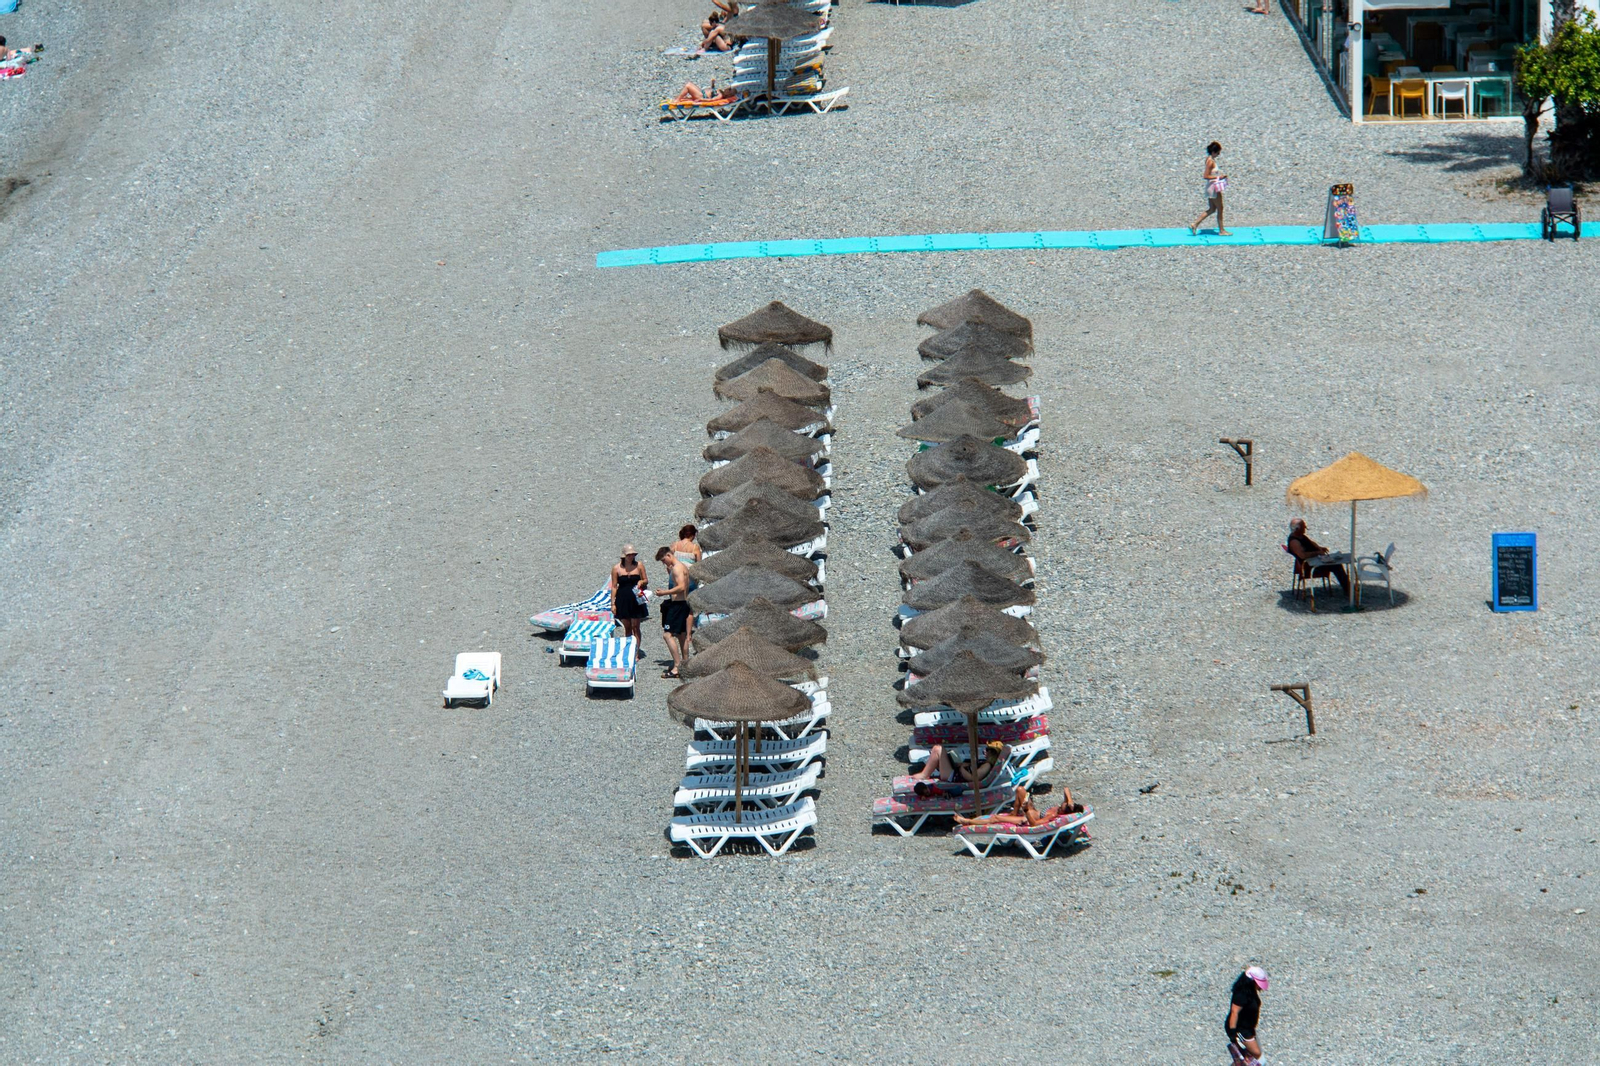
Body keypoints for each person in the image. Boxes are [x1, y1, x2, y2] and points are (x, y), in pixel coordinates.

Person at [952, 784, 1084, 826]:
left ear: (1064, 811)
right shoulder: (1063, 808)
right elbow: (1066, 788)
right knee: (1020, 790)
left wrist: (1026, 810)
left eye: (1064, 805)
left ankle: (968, 821)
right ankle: (1014, 812)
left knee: (996, 818)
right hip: (1032, 810)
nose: (1063, 803)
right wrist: (1071, 801)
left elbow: (1034, 824)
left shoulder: (1052, 817)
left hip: (1025, 819)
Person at [653, 547, 693, 678]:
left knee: (667, 635)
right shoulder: (680, 567)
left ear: (669, 555)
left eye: (664, 560)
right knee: (682, 635)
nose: (664, 563)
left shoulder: (677, 568)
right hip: (683, 603)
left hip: (678, 605)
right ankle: (685, 664)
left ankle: (677, 666)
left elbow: (681, 587)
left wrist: (664, 592)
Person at [1286, 518, 1351, 597]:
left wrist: (1320, 548)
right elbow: (1302, 555)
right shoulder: (1294, 542)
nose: (1305, 529)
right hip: (1309, 566)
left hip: (1315, 560)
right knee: (1336, 566)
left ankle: (1348, 587)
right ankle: (1348, 590)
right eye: (1303, 527)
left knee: (1335, 562)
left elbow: (1310, 544)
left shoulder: (1301, 536)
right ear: (1297, 529)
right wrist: (1317, 553)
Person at [908, 740, 1011, 787]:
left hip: (953, 777)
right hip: (954, 774)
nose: (985, 751)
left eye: (987, 749)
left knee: (938, 749)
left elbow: (972, 778)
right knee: (941, 752)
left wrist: (961, 767)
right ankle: (925, 774)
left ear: (992, 753)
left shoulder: (987, 765)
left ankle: (924, 775)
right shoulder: (986, 764)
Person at [1225, 966, 1269, 1064]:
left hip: (1248, 1028)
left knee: (1244, 1056)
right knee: (1256, 1053)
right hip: (1240, 1030)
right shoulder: (1241, 994)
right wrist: (1233, 1035)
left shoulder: (1250, 991)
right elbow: (1234, 1013)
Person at [609, 545, 650, 648]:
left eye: (633, 555)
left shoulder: (639, 565)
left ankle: (636, 651)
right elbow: (614, 586)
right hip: (623, 599)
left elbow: (646, 580)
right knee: (627, 627)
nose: (631, 557)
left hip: (636, 598)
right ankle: (629, 649)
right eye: (629, 555)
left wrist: (641, 581)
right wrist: (612, 604)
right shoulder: (616, 568)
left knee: (636, 626)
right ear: (624, 556)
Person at [1190, 142, 1232, 236]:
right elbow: (1206, 175)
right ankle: (1222, 230)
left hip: (1210, 187)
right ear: (1213, 152)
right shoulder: (1210, 161)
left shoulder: (1209, 159)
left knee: (1212, 209)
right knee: (1220, 208)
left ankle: (1195, 224)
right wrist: (1218, 177)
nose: (1218, 154)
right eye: (1217, 153)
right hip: (1213, 188)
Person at [672, 80, 737, 105]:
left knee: (688, 85)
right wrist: (713, 84)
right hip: (701, 92)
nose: (727, 88)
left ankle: (678, 99)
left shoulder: (720, 96)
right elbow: (712, 91)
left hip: (701, 95)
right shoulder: (720, 92)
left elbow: (711, 100)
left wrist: (701, 100)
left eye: (729, 89)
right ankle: (679, 98)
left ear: (729, 94)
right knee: (690, 83)